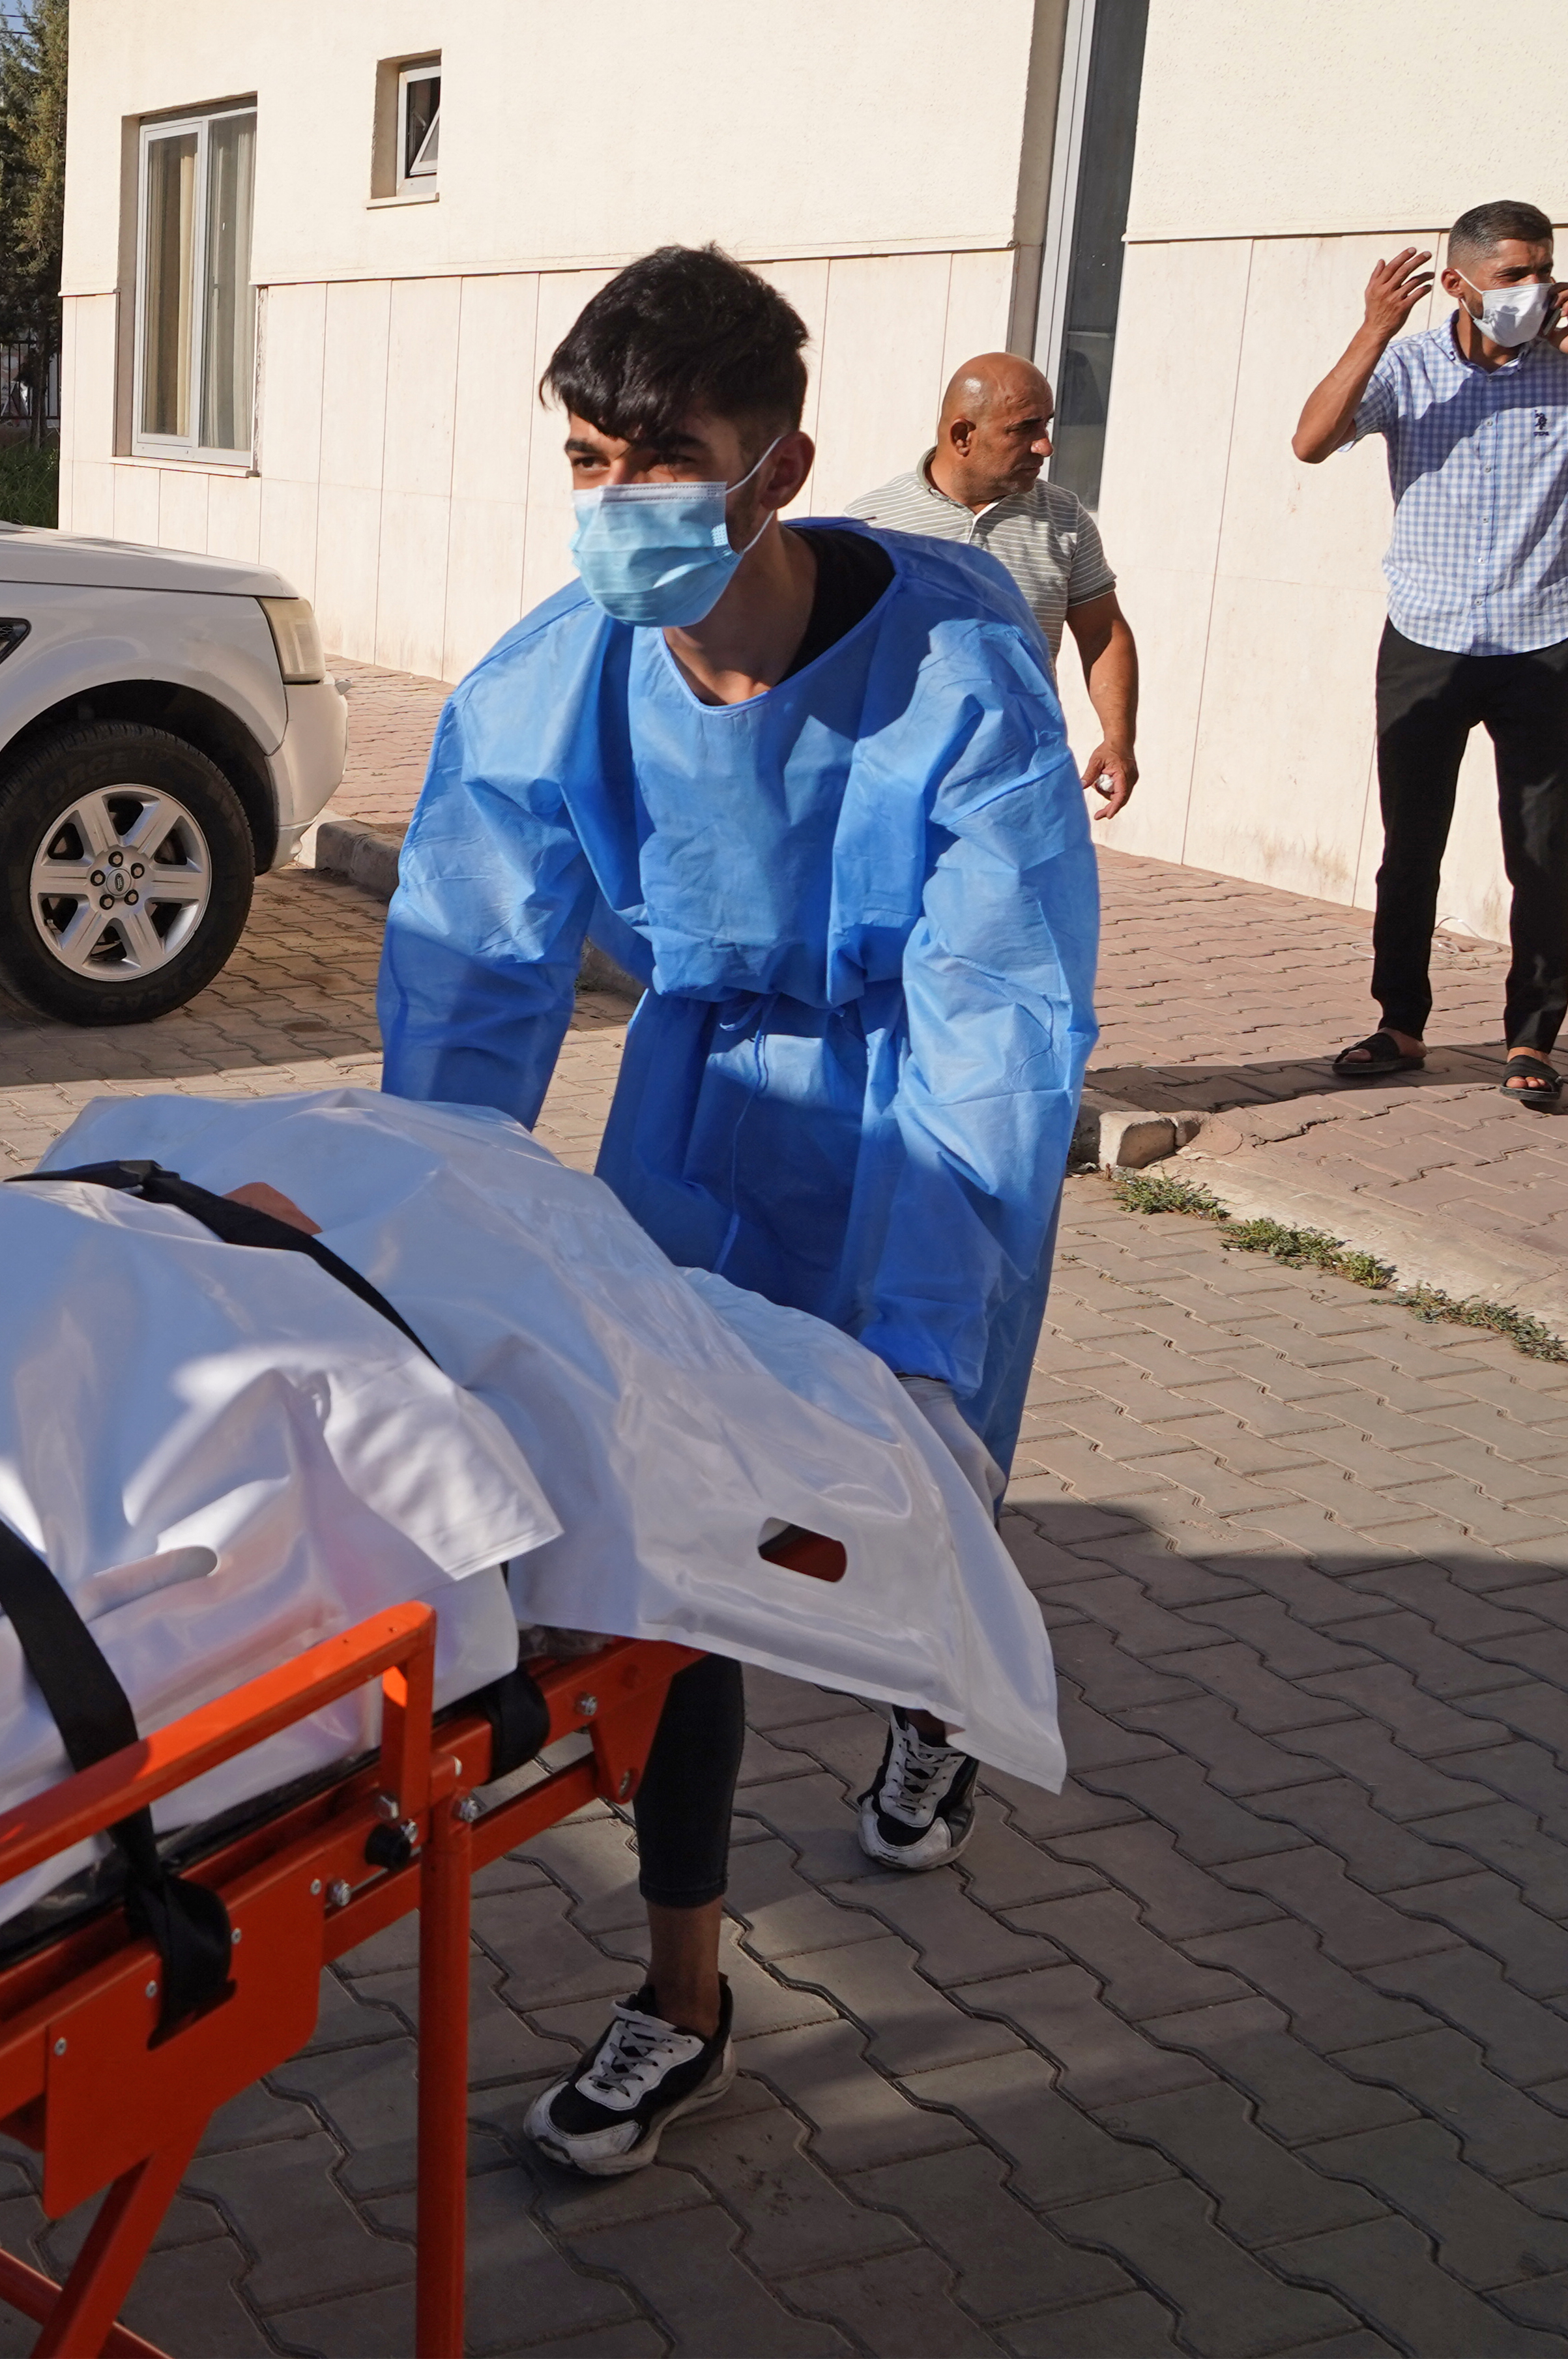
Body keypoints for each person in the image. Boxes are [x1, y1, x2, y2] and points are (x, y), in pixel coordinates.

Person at [379, 246, 1099, 2177]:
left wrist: (923, 1345)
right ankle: (680, 1993)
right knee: (681, 1550)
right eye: (585, 455)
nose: (616, 503)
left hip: (902, 1123)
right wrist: (414, 1279)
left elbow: (989, 1014)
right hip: (694, 1105)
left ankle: (925, 1682)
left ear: (773, 466)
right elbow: (465, 981)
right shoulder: (550, 686)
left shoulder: (955, 679)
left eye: (662, 461)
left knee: (905, 1469)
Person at [1290, 199, 1568, 1110]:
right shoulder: (1411, 364)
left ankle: (1531, 1039)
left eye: (1542, 268)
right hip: (1427, 639)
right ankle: (1401, 1022)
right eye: (1514, 274)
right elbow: (1312, 441)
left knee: (1542, 851)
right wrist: (1373, 329)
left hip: (1540, 642)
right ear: (1461, 279)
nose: (1534, 288)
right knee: (1411, 845)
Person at [845, 353, 1143, 818]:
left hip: (1020, 782)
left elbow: (1102, 631)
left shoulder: (1065, 520)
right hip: (894, 786)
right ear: (963, 436)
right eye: (1024, 429)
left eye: (1046, 425)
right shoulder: (874, 525)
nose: (1045, 447)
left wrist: (1118, 739)